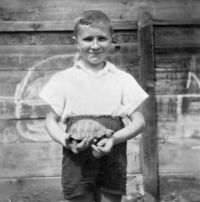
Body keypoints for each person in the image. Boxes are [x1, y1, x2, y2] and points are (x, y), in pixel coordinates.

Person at [39, 10, 148, 202]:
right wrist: (67, 141)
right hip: (76, 155)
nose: (95, 45)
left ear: (112, 39)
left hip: (112, 153)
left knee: (110, 197)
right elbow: (50, 121)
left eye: (102, 38)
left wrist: (114, 139)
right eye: (88, 39)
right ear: (76, 42)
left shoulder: (123, 79)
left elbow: (139, 122)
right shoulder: (63, 79)